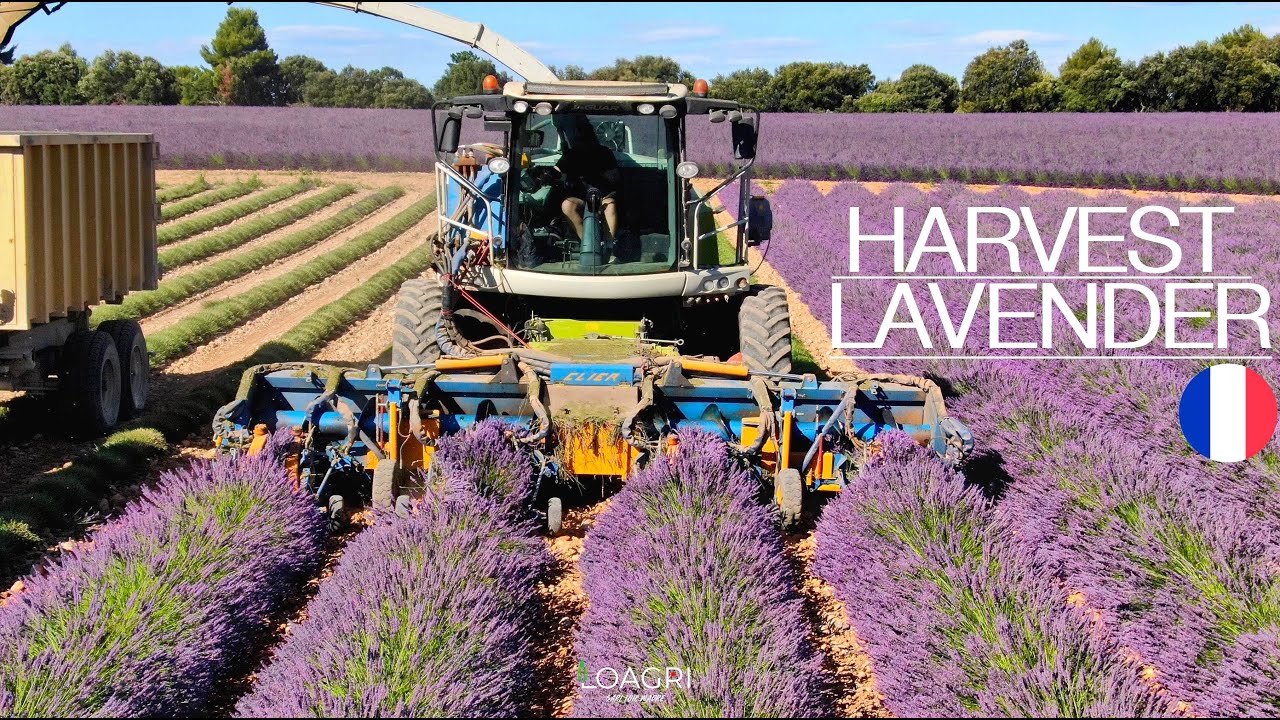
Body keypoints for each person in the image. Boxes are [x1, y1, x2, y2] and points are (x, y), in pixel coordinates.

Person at [556, 116, 622, 242]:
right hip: (580, 199)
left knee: (611, 206)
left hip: (603, 198)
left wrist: (598, 175)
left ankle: (609, 246)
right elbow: (555, 171)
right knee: (567, 205)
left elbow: (615, 179)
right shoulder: (571, 154)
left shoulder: (605, 153)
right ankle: (585, 241)